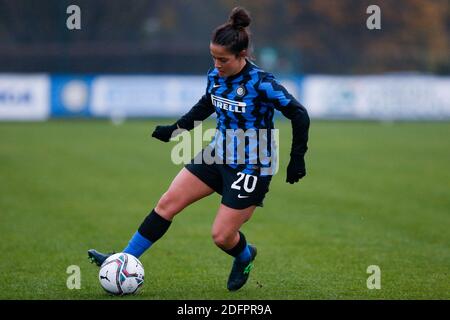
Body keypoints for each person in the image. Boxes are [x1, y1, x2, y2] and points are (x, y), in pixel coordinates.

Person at [88, 6, 310, 292]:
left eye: (223, 59)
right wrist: (175, 130)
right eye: (213, 58)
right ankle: (124, 260)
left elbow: (299, 113)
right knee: (167, 203)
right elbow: (206, 104)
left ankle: (245, 255)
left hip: (251, 165)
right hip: (217, 153)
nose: (217, 64)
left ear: (242, 55)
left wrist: (297, 159)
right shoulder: (216, 76)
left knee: (221, 236)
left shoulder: (261, 83)